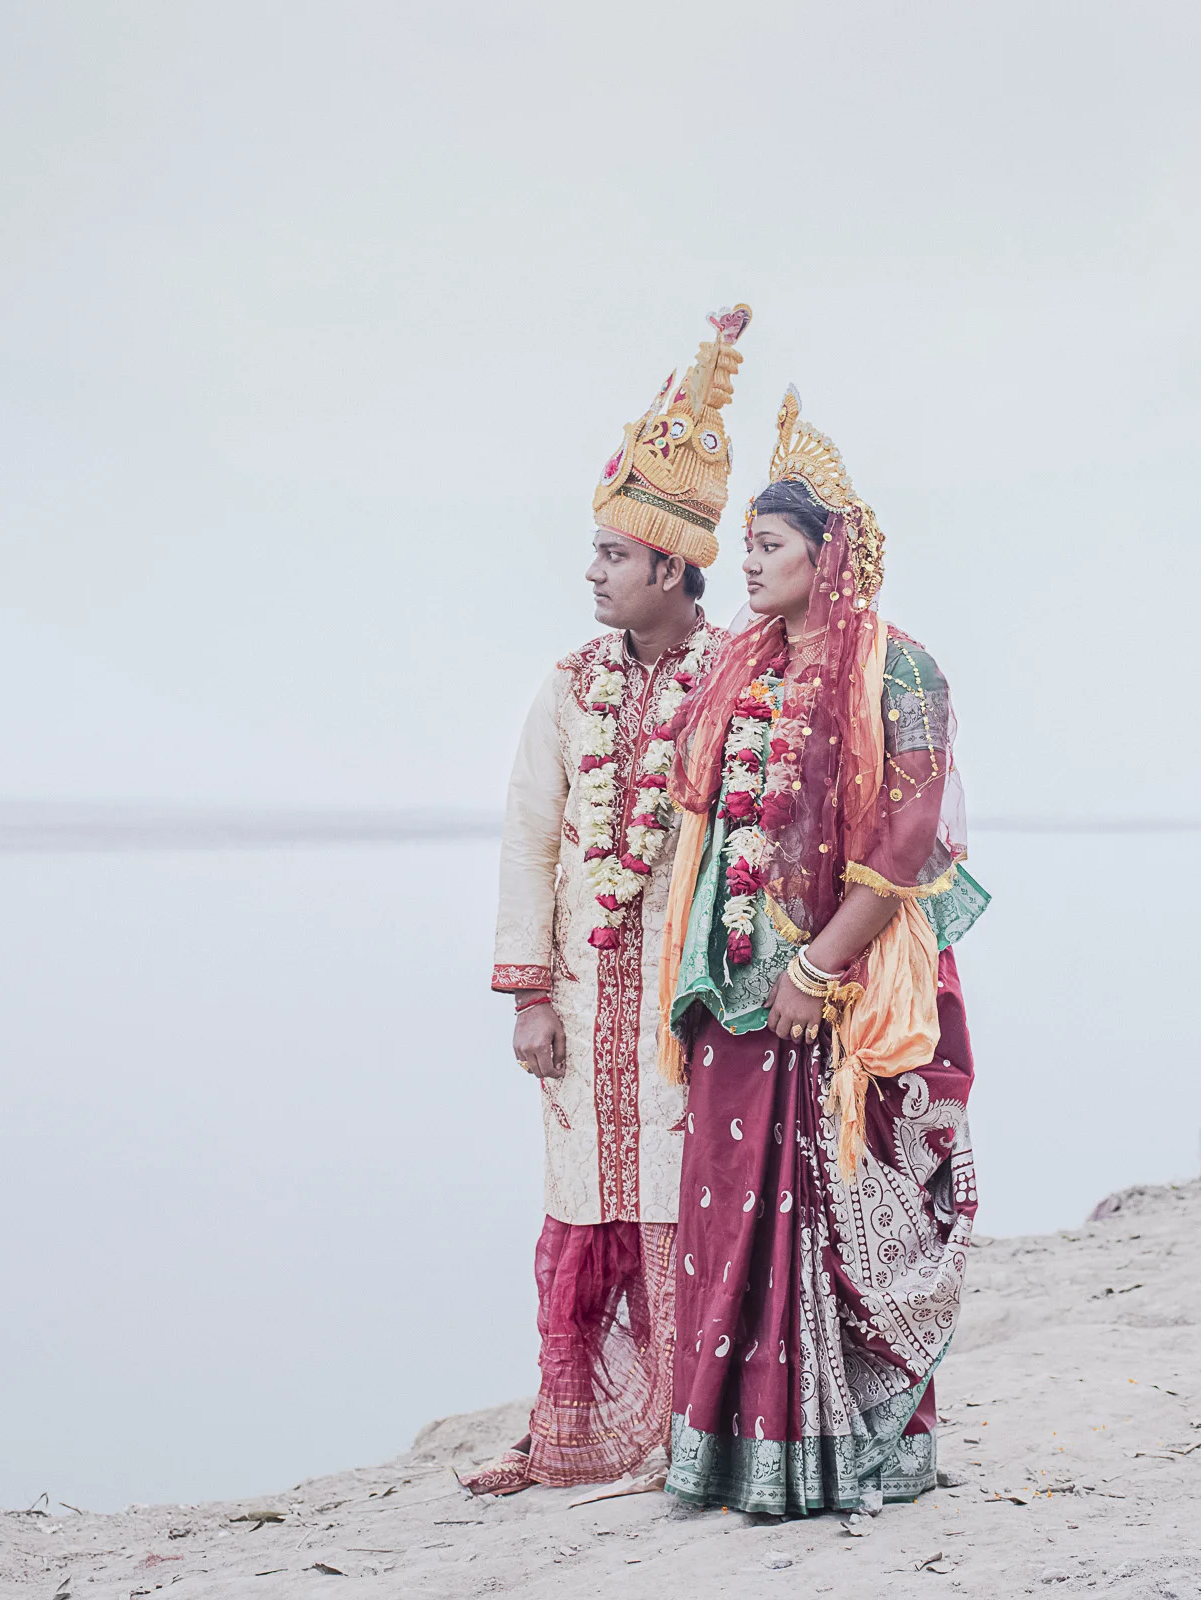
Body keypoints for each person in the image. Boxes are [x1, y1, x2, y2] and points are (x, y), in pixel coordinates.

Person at [654, 386, 990, 1516]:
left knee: (847, 1207)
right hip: (734, 996)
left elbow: (904, 833)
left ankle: (852, 1451)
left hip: (842, 994)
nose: (744, 565)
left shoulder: (899, 670)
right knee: (723, 1212)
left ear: (826, 552)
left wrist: (816, 968)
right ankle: (736, 1450)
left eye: (767, 544)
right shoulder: (740, 668)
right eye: (744, 544)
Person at [471, 306, 752, 1496]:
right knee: (581, 1206)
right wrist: (528, 991)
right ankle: (568, 1436)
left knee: (690, 1211)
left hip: (691, 1014)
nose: (589, 573)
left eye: (608, 556)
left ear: (671, 569)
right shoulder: (568, 687)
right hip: (584, 1010)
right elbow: (530, 840)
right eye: (591, 554)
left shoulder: (736, 677)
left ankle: (687, 1437)